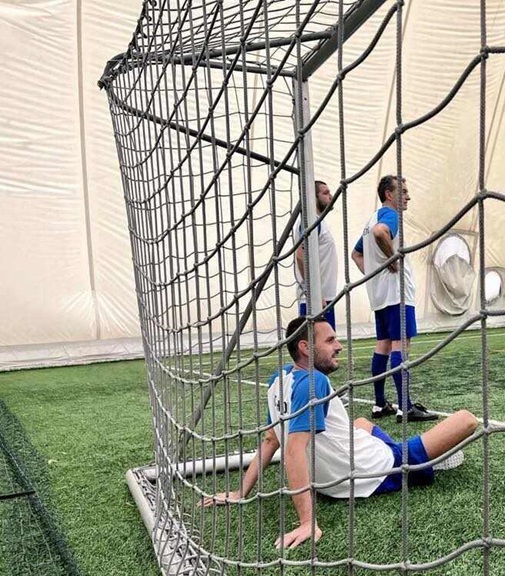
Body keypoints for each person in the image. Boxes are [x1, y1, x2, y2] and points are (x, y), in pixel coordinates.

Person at [201, 316, 477, 549]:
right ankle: (427, 461)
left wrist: (240, 492)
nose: (339, 346)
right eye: (330, 340)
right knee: (467, 420)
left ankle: (414, 452)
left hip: (334, 473)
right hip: (375, 469)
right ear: (306, 347)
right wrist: (307, 523)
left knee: (361, 423)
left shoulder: (279, 379)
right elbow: (293, 451)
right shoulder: (315, 381)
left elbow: (271, 439)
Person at [351, 175, 438, 422]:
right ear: (389, 194)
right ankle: (405, 407)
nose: (408, 196)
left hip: (379, 295)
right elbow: (380, 233)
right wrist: (392, 259)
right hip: (397, 293)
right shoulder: (390, 216)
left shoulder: (371, 219)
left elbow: (356, 254)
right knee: (401, 345)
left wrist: (374, 275)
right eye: (404, 191)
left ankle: (380, 405)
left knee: (383, 345)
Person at [295, 180, 338, 330]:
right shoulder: (312, 221)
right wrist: (315, 294)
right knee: (320, 343)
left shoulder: (317, 221)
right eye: (325, 193)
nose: (331, 196)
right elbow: (300, 255)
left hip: (323, 298)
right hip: (316, 301)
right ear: (313, 197)